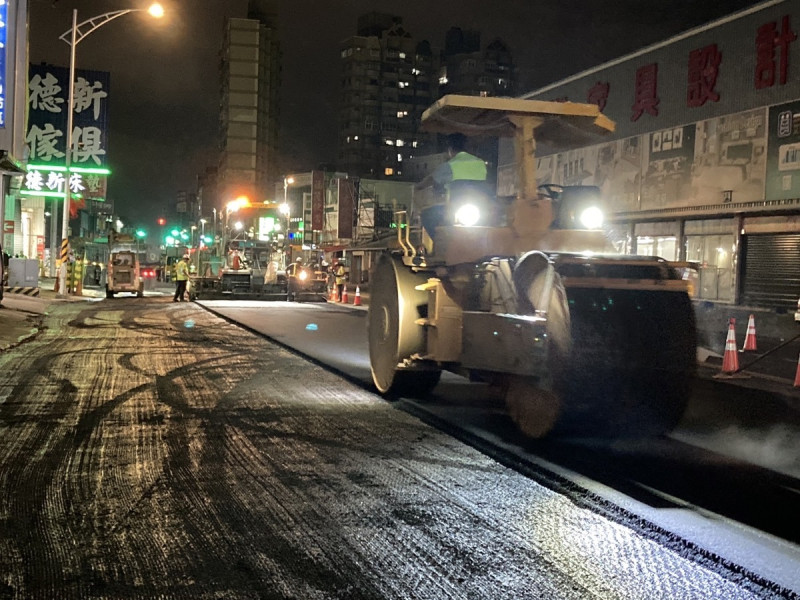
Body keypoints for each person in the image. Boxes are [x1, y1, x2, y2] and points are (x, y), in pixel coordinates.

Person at [415, 132, 488, 244]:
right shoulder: (480, 162)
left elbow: (432, 180)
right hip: (482, 207)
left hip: (456, 207)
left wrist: (419, 186)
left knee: (427, 215)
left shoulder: (450, 165)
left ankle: (441, 245)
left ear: (450, 149)